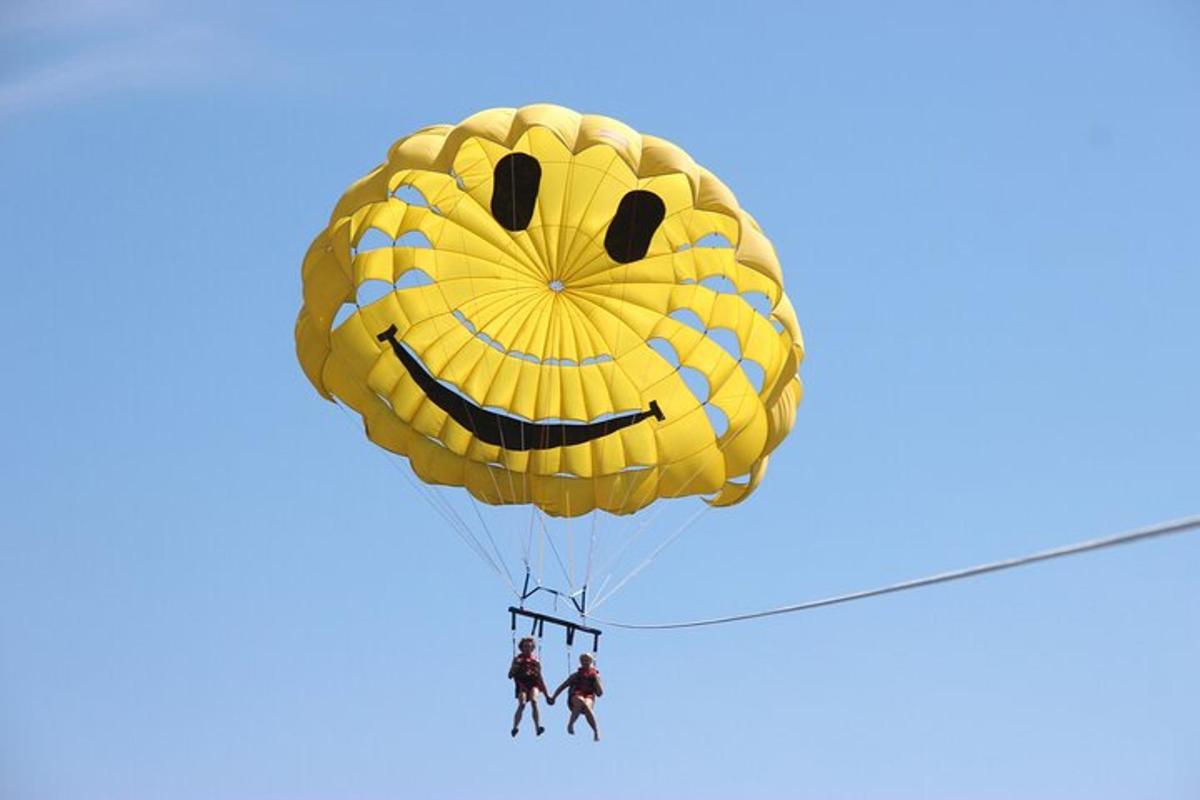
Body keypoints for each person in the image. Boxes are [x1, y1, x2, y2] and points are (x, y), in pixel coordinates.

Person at [550, 652, 603, 741]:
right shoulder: (576, 675)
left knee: (587, 706)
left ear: (591, 661)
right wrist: (554, 697)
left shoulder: (595, 676)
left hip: (588, 696)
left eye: (587, 660)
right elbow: (562, 686)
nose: (585, 662)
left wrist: (596, 679)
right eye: (583, 660)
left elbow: (600, 693)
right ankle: (571, 724)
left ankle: (596, 731)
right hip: (576, 695)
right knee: (580, 700)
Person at [508, 637, 550, 737]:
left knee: (534, 701)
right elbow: (510, 675)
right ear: (521, 648)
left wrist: (547, 695)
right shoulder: (517, 659)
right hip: (522, 684)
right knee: (522, 704)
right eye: (525, 646)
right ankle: (515, 727)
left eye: (530, 647)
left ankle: (538, 727)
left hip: (534, 684)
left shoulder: (536, 661)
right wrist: (515, 667)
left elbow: (540, 678)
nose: (527, 648)